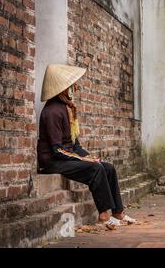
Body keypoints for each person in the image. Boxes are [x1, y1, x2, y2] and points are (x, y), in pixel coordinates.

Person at [37, 64, 136, 229]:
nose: (73, 88)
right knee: (95, 169)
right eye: (70, 86)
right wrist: (85, 160)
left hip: (66, 157)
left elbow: (75, 144)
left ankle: (118, 212)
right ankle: (104, 215)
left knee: (108, 167)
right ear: (62, 89)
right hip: (52, 161)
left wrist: (89, 157)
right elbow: (57, 149)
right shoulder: (52, 111)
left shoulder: (66, 108)